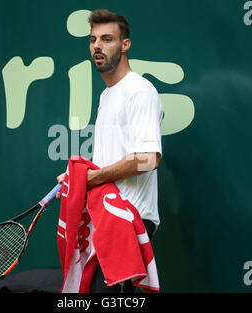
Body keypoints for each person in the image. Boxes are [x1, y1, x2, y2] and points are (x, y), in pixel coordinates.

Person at [56, 9, 163, 293]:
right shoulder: (106, 95)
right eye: (93, 40)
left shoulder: (140, 91)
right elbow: (111, 161)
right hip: (106, 220)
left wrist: (91, 179)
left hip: (130, 218)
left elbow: (148, 159)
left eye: (107, 39)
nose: (97, 47)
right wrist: (78, 175)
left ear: (125, 44)